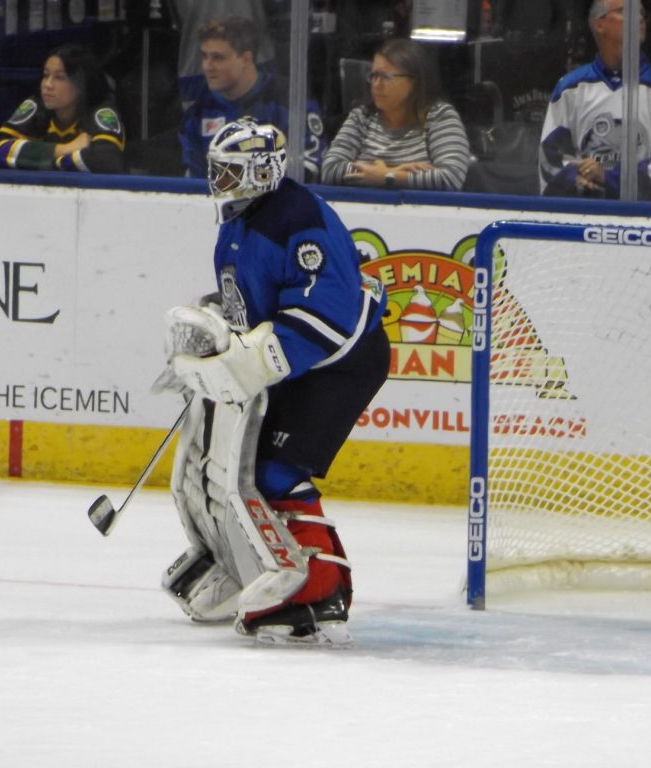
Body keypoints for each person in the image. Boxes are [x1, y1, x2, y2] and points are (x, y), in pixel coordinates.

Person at [157, 118, 389, 646]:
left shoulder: (298, 218)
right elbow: (248, 306)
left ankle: (321, 587)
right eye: (217, 169)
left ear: (262, 170)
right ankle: (244, 564)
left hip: (338, 365)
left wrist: (246, 358)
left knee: (274, 471)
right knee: (230, 464)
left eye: (229, 170)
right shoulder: (238, 219)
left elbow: (325, 317)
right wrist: (216, 340)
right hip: (297, 362)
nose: (216, 180)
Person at [539, 0, 651, 200]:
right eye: (625, 11)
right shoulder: (570, 88)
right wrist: (574, 178)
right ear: (599, 24)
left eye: (641, 13)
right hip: (584, 217)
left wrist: (609, 177)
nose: (638, 18)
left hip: (649, 221)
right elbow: (550, 156)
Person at [178, 16, 326, 180]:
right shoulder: (198, 114)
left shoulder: (291, 102)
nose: (207, 66)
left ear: (246, 59)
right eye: (204, 56)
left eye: (217, 57)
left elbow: (309, 168)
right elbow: (193, 183)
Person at [320, 38, 471, 191]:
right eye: (373, 76)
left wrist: (388, 177)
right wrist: (387, 174)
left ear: (414, 82)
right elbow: (329, 169)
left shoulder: (440, 116)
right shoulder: (361, 116)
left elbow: (451, 177)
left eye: (385, 77)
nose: (376, 85)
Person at [0, 44, 125, 173]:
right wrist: (63, 150)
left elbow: (107, 161)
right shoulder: (38, 105)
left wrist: (44, 162)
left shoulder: (101, 111)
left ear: (82, 84)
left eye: (59, 77)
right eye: (46, 75)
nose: (48, 85)